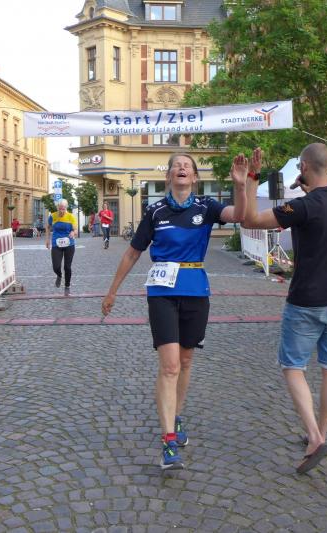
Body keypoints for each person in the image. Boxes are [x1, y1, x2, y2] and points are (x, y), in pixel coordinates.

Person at [101, 151, 247, 471]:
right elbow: (132, 253)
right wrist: (112, 290)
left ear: (194, 177)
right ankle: (168, 440)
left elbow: (239, 215)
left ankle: (177, 415)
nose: (181, 168)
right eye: (176, 166)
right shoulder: (155, 211)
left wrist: (240, 185)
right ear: (168, 176)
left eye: (187, 166)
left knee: (186, 360)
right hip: (162, 293)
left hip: (196, 290)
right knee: (169, 366)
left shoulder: (206, 207)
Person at [243, 143, 327, 475]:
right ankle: (320, 433)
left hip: (306, 301)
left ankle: (315, 437)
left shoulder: (303, 206)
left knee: (292, 367)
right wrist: (306, 189)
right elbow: (323, 205)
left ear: (303, 167)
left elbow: (250, 219)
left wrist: (252, 178)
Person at [46, 199, 77, 294]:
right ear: (57, 208)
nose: (61, 211)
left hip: (69, 244)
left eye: (63, 209)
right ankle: (59, 275)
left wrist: (73, 232)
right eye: (60, 209)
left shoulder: (71, 216)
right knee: (56, 266)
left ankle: (67, 286)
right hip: (56, 244)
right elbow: (48, 227)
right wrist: (47, 239)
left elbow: (75, 229)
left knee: (67, 267)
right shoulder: (53, 216)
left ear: (66, 208)